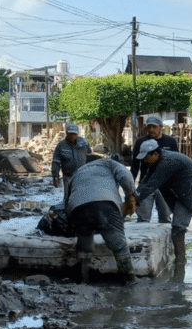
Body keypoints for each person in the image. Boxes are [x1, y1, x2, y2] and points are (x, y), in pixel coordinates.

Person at [66, 156, 137, 284]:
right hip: (105, 203)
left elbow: (67, 198)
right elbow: (125, 175)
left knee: (84, 245)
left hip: (78, 207)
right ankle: (130, 279)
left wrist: (72, 222)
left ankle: (84, 279)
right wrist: (130, 195)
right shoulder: (109, 163)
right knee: (119, 245)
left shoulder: (77, 172)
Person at [130, 116, 178, 224]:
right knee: (143, 219)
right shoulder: (140, 142)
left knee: (165, 218)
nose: (151, 129)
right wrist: (130, 184)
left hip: (165, 185)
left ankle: (167, 241)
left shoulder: (170, 142)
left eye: (154, 127)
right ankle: (142, 241)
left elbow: (176, 165)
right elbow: (135, 166)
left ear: (161, 127)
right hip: (146, 183)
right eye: (149, 127)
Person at [52, 123, 92, 198]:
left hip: (82, 175)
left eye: (74, 134)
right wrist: (55, 177)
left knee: (82, 196)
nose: (72, 136)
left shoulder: (84, 143)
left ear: (77, 134)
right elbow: (56, 162)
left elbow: (90, 158)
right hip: (68, 176)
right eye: (70, 134)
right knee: (69, 196)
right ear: (66, 133)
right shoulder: (61, 145)